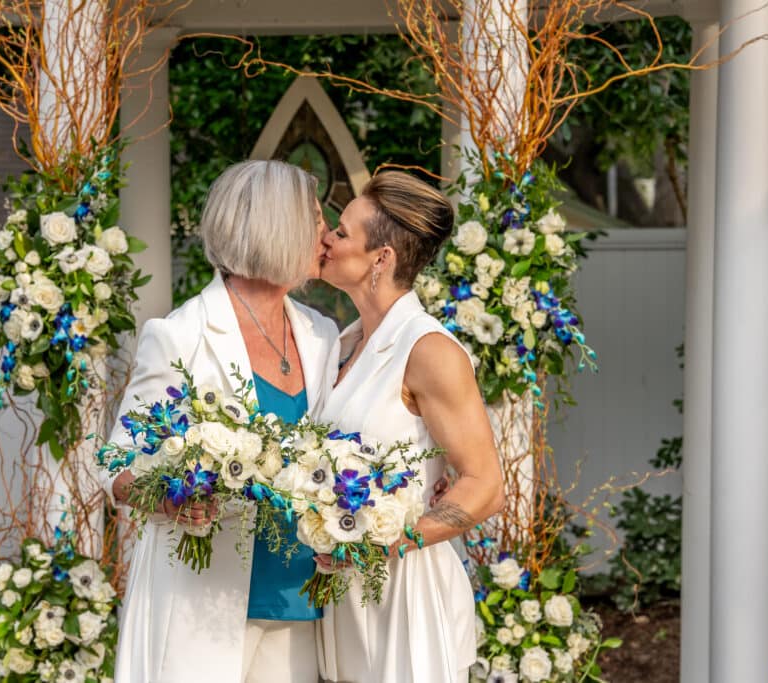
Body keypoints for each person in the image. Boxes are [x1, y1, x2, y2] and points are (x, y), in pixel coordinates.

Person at [101, 160, 341, 683]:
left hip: (298, 599)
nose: (326, 234)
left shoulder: (323, 335)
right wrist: (172, 499)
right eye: (315, 220)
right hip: (200, 600)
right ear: (275, 228)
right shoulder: (179, 335)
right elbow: (115, 464)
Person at [314, 171, 505, 683]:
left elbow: (485, 486)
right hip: (340, 595)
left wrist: (387, 543)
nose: (327, 239)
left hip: (405, 594)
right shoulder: (339, 345)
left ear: (382, 258)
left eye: (342, 231)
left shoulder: (429, 351)